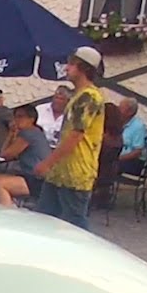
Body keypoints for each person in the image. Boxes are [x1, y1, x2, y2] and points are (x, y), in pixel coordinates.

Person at [32, 47, 105, 230]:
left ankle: (86, 249)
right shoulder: (77, 96)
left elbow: (75, 136)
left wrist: (47, 162)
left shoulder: (89, 97)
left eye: (72, 64)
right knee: (44, 219)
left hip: (76, 172)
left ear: (84, 68)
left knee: (75, 225)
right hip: (60, 171)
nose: (66, 68)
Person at [0, 104, 51, 206]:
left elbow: (6, 154)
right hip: (30, 176)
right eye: (15, 117)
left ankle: (6, 212)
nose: (16, 120)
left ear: (31, 119)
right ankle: (10, 204)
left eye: (20, 117)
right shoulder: (34, 132)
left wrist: (11, 134)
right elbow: (4, 153)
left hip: (36, 179)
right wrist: (11, 133)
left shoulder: (29, 134)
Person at [117, 97, 147, 175]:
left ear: (130, 112)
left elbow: (137, 152)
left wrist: (117, 158)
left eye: (120, 108)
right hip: (118, 159)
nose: (117, 110)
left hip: (134, 162)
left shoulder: (138, 126)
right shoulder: (117, 123)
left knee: (109, 166)